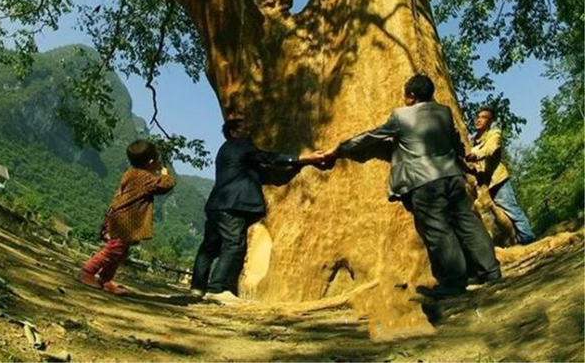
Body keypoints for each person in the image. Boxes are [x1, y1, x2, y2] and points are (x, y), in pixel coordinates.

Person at [321, 73, 502, 299]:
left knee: (438, 230)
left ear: (412, 96)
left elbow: (371, 136)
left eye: (406, 95)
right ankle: (491, 272)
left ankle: (454, 283)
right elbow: (455, 141)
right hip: (453, 177)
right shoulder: (444, 112)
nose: (404, 99)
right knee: (468, 223)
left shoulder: (401, 117)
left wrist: (339, 148)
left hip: (424, 181)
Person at [191, 116, 325, 303]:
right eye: (244, 128)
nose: (249, 131)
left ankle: (197, 287)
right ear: (234, 133)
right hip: (233, 205)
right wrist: (302, 158)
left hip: (216, 204)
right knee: (233, 244)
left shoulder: (225, 150)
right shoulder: (241, 146)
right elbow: (268, 158)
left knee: (209, 247)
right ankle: (216, 288)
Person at [80, 139, 175, 294]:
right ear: (151, 161)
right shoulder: (144, 178)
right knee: (114, 250)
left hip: (122, 219)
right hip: (123, 221)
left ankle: (104, 279)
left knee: (120, 252)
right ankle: (87, 272)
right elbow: (164, 186)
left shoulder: (131, 173)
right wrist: (165, 175)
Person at [466, 107, 535, 245]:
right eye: (478, 117)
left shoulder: (494, 134)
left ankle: (528, 237)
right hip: (486, 184)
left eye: (484, 117)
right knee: (498, 213)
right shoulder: (473, 140)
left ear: (490, 121)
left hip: (498, 180)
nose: (479, 119)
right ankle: (515, 239)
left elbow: (491, 148)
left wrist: (476, 155)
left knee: (511, 209)